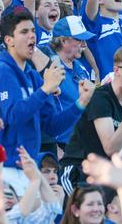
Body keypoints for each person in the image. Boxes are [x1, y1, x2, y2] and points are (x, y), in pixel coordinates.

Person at [0, 9, 94, 196]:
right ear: (8, 40)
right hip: (5, 167)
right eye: (24, 32)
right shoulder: (2, 70)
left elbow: (52, 127)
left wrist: (80, 102)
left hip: (30, 168)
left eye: (33, 31)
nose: (32, 36)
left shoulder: (33, 77)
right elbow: (13, 115)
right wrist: (45, 89)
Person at [61, 46, 122, 192]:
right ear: (117, 70)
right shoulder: (101, 98)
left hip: (108, 174)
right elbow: (110, 148)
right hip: (80, 171)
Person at [47, 15, 94, 145]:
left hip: (82, 142)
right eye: (80, 39)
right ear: (63, 41)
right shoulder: (50, 68)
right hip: (62, 143)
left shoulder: (80, 66)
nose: (84, 44)